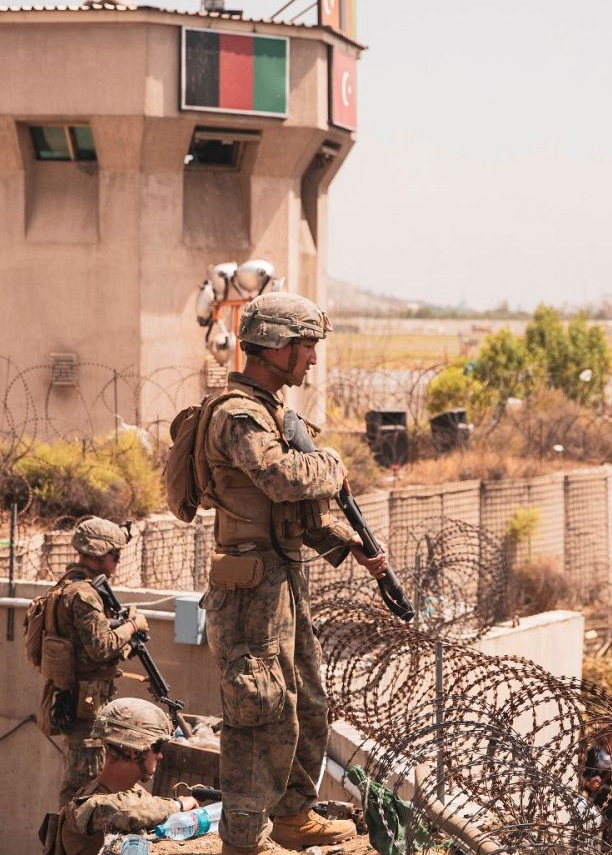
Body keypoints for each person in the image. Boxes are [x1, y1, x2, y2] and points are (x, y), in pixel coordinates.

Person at [197, 292, 387, 854]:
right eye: (307, 346)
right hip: (248, 589)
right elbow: (282, 480)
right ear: (276, 345)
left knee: (306, 702)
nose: (313, 358)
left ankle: (293, 815)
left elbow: (293, 512)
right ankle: (245, 838)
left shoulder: (272, 411)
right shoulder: (237, 415)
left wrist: (348, 543)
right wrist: (333, 463)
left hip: (281, 580)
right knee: (258, 710)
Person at [36, 517, 152, 806]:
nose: (117, 562)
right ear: (100, 555)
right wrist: (132, 626)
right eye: (115, 555)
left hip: (78, 699)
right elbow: (100, 647)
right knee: (84, 793)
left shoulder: (66, 585)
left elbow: (85, 648)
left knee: (77, 790)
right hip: (85, 707)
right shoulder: (84, 595)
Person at [52, 698, 209, 855]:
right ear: (134, 752)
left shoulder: (134, 793)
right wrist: (177, 805)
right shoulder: (87, 808)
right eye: (157, 747)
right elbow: (123, 810)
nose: (160, 756)